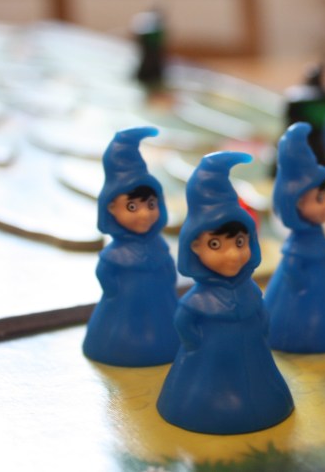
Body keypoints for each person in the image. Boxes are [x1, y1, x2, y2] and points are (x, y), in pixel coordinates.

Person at [157, 151, 294, 434]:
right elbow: (184, 323)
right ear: (194, 246)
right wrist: (196, 345)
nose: (233, 255)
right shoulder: (197, 301)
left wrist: (261, 328)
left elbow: (261, 314)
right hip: (207, 366)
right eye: (216, 245)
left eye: (240, 242)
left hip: (255, 362)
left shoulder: (250, 291)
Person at [83, 127, 180, 367]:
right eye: (132, 207)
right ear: (110, 208)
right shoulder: (115, 254)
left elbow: (169, 270)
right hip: (121, 316)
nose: (145, 214)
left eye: (151, 204)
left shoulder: (159, 245)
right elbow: (105, 275)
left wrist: (168, 280)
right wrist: (116, 291)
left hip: (163, 313)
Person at [265, 122, 325, 353]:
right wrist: (299, 284)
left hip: (324, 290)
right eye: (319, 199)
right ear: (296, 203)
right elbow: (292, 269)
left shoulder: (317, 236)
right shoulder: (297, 247)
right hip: (297, 306)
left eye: (324, 196)